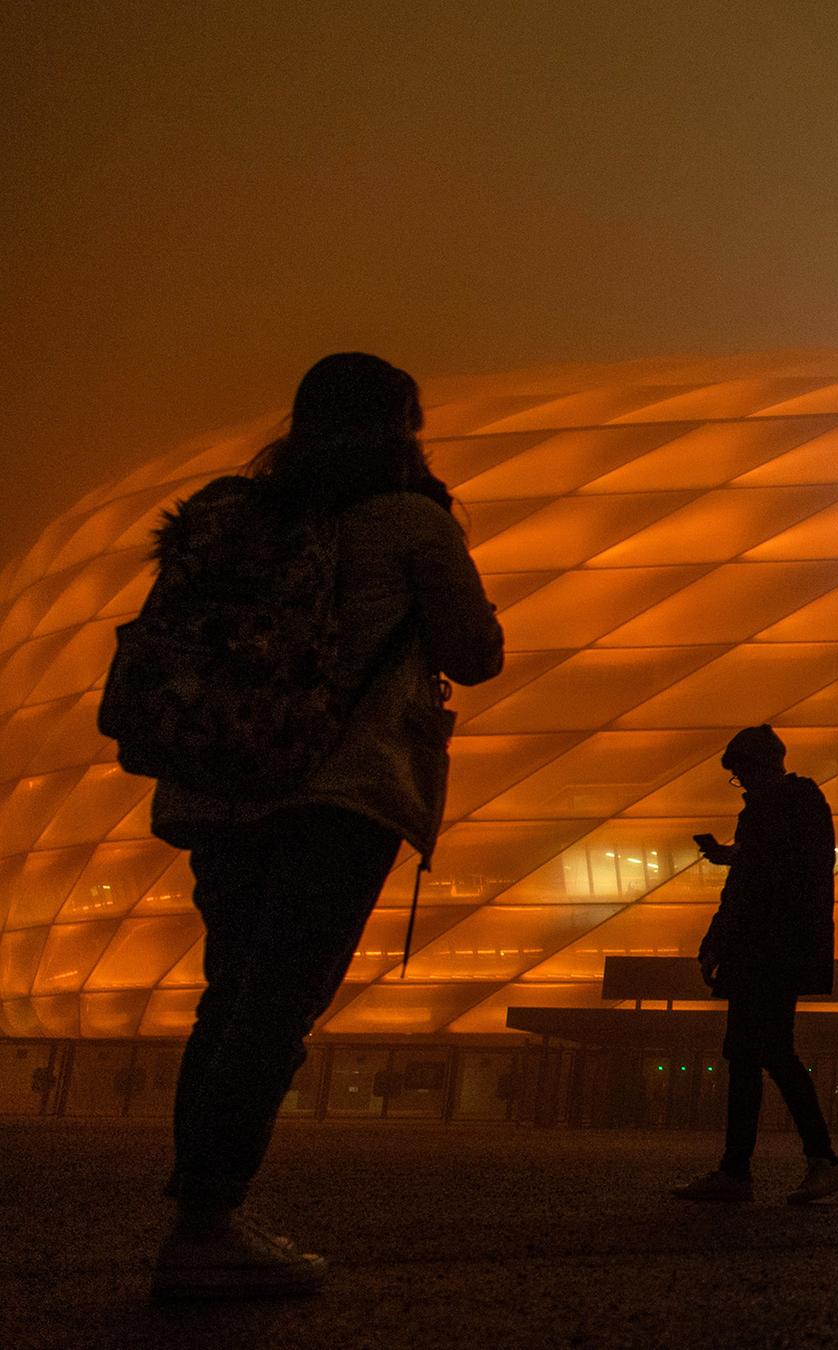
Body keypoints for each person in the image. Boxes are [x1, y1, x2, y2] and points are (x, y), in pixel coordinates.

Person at [135, 354, 504, 1298]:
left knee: (230, 993)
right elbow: (478, 653)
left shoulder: (232, 521)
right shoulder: (408, 521)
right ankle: (207, 1219)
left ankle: (198, 1207)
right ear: (402, 428)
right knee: (278, 1002)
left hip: (219, 782)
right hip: (337, 790)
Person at [672, 725, 838, 1206]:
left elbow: (752, 886)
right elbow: (781, 867)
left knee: (765, 1054)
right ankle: (752, 1167)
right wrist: (733, 854)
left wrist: (715, 941)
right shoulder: (804, 804)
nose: (742, 784)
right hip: (785, 947)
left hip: (763, 949)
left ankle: (810, 1162)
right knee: (756, 1054)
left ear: (756, 766)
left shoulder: (770, 807)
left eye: (741, 774)